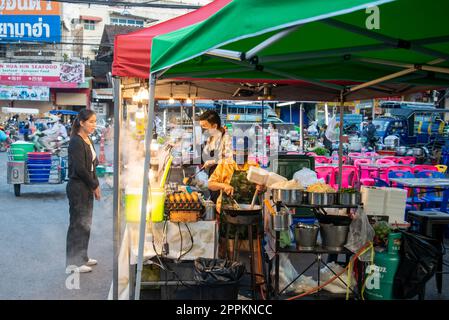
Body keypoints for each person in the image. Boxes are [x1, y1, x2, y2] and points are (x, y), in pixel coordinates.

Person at [66, 109, 101, 273]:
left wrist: (96, 184)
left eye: (95, 121)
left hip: (87, 185)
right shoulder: (76, 141)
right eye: (91, 122)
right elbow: (80, 169)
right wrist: (94, 185)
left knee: (86, 223)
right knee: (77, 224)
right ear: (82, 123)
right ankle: (72, 264)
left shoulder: (88, 140)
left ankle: (83, 257)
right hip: (78, 187)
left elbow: (93, 165)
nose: (94, 125)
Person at [199, 110, 233, 202]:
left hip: (222, 178)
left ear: (214, 126)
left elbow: (228, 158)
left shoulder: (226, 137)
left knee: (220, 203)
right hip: (212, 177)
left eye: (205, 126)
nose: (203, 129)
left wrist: (211, 162)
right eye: (201, 126)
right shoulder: (210, 137)